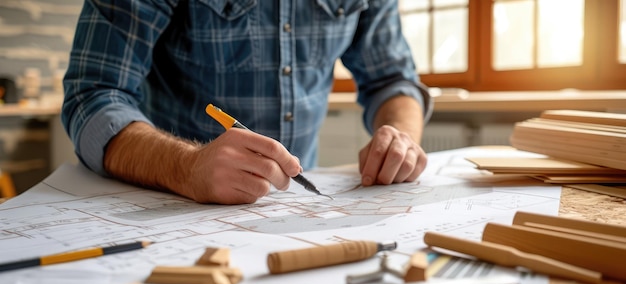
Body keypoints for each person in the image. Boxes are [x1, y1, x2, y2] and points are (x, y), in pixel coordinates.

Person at [62, 0, 433, 205]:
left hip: (298, 204)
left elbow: (392, 80)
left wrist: (399, 135)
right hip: (170, 202)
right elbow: (94, 95)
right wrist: (187, 167)